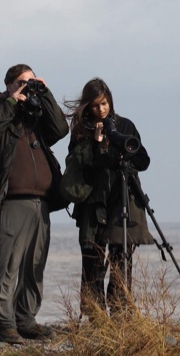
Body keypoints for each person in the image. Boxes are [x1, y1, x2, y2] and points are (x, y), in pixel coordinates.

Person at [0, 64, 69, 343]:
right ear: (8, 85)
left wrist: (45, 93)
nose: (26, 87)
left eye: (31, 82)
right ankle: (5, 325)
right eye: (21, 82)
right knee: (8, 266)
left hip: (41, 203)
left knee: (34, 266)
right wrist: (11, 102)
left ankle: (26, 320)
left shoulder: (36, 118)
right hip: (10, 203)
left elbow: (61, 129)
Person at [62, 78, 153, 318]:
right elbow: (80, 164)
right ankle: (95, 314)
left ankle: (121, 309)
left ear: (110, 101)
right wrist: (96, 144)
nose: (101, 109)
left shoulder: (125, 126)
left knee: (121, 257)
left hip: (121, 199)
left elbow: (143, 161)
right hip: (93, 202)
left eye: (104, 103)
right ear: (87, 106)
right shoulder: (81, 130)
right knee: (92, 258)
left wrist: (122, 147)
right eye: (95, 105)